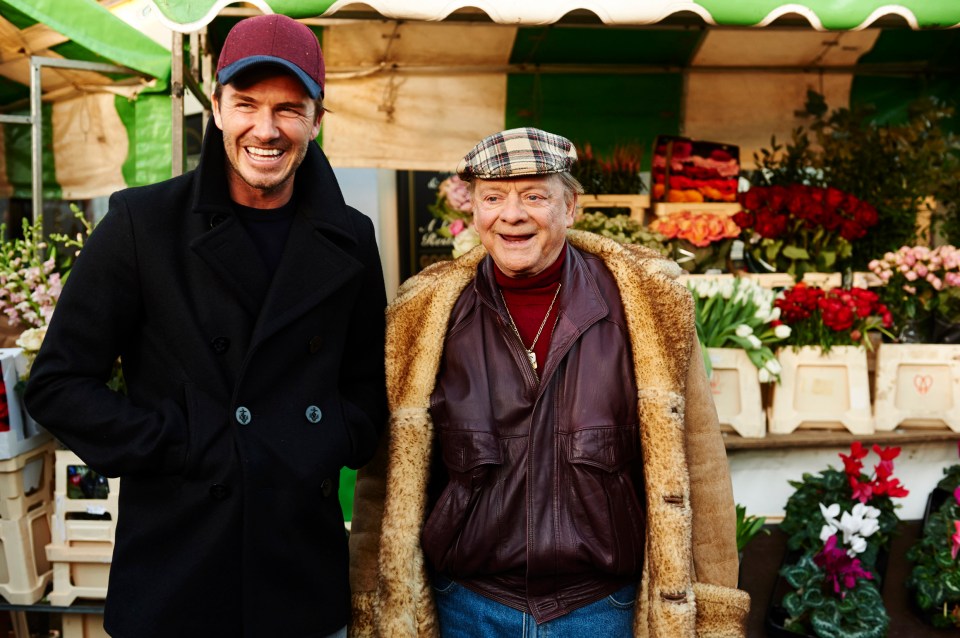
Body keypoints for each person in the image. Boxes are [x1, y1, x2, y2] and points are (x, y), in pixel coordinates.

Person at [24, 14, 387, 638]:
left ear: (317, 119)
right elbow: (57, 385)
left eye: (289, 109)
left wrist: (321, 440)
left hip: (300, 571)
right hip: (177, 567)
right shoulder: (143, 223)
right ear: (216, 108)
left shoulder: (352, 238)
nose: (266, 130)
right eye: (246, 104)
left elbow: (366, 389)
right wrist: (181, 440)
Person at [348, 128, 750, 636]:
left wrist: (713, 610)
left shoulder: (646, 304)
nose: (511, 215)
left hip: (601, 610)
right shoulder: (424, 315)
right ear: (473, 210)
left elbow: (702, 464)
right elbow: (382, 483)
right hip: (468, 608)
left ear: (571, 206)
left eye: (535, 196)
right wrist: (370, 599)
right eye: (493, 198)